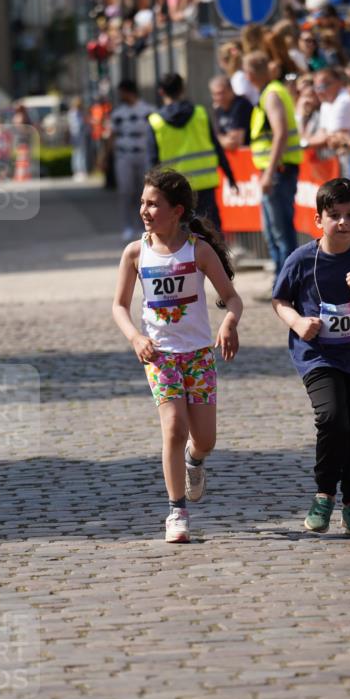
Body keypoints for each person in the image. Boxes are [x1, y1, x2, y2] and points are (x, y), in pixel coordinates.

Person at [112, 167, 243, 544]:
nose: (145, 210)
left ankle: (195, 460)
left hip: (199, 354)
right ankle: (177, 511)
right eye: (142, 202)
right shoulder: (135, 253)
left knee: (204, 439)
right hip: (160, 356)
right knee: (173, 427)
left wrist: (229, 322)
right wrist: (136, 337)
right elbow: (119, 306)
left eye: (154, 204)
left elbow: (231, 297)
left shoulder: (197, 250)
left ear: (177, 210)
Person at [272, 177, 350, 535]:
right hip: (318, 355)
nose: (342, 222)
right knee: (332, 418)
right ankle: (324, 494)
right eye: (334, 215)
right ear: (319, 220)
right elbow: (279, 300)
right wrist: (296, 321)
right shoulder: (301, 260)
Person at [146, 72, 236, 230]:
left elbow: (153, 162)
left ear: (161, 92)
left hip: (175, 189)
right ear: (183, 89)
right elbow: (216, 147)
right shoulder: (200, 113)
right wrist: (230, 176)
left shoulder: (155, 122)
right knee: (211, 233)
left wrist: (151, 193)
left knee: (181, 237)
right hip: (205, 185)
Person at [243, 50, 303, 283]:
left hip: (278, 171)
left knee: (281, 232)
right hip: (276, 170)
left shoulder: (271, 95)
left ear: (250, 74)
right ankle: (281, 282)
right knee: (273, 231)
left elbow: (280, 135)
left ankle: (287, 283)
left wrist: (268, 173)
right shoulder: (270, 92)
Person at [109, 79, 155, 240]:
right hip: (124, 156)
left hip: (144, 155)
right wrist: (105, 157)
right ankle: (127, 226)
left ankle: (143, 226)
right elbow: (112, 136)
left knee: (144, 193)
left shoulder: (149, 111)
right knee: (126, 191)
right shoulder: (118, 114)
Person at [307, 67, 350, 154]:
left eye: (322, 87)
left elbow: (333, 139)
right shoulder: (326, 104)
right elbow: (321, 135)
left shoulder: (344, 100)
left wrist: (301, 144)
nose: (318, 92)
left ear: (338, 83)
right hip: (345, 157)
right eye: (316, 88)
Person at [208, 75, 252, 150]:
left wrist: (218, 140)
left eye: (222, 93)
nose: (219, 97)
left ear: (231, 90)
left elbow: (235, 142)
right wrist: (220, 139)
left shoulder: (241, 105)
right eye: (215, 94)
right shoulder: (218, 109)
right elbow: (216, 135)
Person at [67, 98, 88, 182]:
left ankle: (81, 171)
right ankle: (78, 171)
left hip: (79, 136)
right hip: (76, 136)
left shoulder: (79, 113)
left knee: (80, 154)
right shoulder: (74, 113)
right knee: (77, 154)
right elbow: (76, 126)